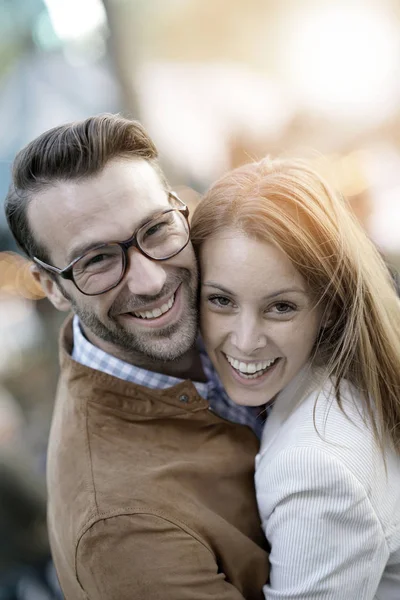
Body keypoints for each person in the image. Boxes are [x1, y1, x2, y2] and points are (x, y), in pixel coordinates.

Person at [4, 114, 269, 600]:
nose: (150, 281)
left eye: (154, 229)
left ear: (179, 209)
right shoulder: (118, 527)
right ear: (51, 288)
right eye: (98, 260)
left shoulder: (238, 296)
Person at [190, 157, 400, 599]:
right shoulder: (347, 374)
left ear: (329, 307)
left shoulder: (315, 468)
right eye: (221, 300)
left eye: (281, 307)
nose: (245, 342)